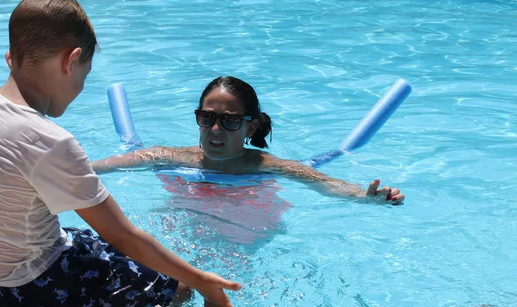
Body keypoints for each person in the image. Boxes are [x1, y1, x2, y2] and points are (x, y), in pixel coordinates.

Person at [0, 0, 242, 307]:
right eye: (84, 76)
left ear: (11, 57)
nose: (81, 87)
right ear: (70, 61)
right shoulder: (49, 140)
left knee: (87, 237)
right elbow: (124, 236)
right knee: (175, 284)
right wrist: (200, 280)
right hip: (33, 294)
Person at [92, 76, 406, 205]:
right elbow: (97, 167)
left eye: (229, 121)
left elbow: (327, 184)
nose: (215, 129)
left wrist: (366, 197)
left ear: (250, 126)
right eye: (206, 118)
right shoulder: (167, 157)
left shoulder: (271, 167)